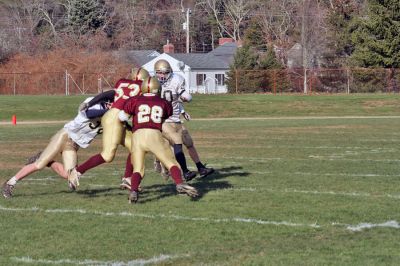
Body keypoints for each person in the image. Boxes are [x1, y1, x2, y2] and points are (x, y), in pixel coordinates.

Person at [2, 97, 110, 198]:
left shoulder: (111, 117)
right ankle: (9, 183)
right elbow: (89, 113)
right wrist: (107, 111)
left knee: (69, 175)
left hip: (73, 146)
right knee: (39, 165)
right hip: (65, 136)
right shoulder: (93, 103)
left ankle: (49, 162)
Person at [119, 76, 198, 203]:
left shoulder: (134, 100)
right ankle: (179, 183)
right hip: (154, 134)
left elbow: (122, 117)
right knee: (171, 162)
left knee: (138, 168)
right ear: (158, 89)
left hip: (138, 136)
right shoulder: (163, 102)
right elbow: (166, 115)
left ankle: (134, 191)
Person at [68, 68, 149, 190]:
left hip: (117, 119)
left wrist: (89, 104)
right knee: (108, 156)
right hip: (113, 120)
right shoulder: (141, 88)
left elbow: (108, 94)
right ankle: (77, 172)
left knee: (137, 147)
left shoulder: (123, 83)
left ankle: (127, 178)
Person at [154, 59, 214, 181]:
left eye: (164, 72)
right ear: (156, 73)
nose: (162, 75)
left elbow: (176, 99)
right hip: (164, 121)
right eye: (159, 73)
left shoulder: (176, 80)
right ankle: (183, 171)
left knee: (189, 143)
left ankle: (201, 168)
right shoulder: (154, 84)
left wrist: (182, 111)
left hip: (176, 118)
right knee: (177, 144)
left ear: (169, 72)